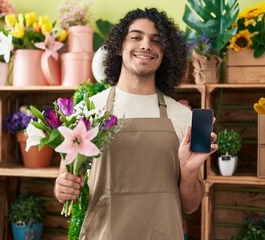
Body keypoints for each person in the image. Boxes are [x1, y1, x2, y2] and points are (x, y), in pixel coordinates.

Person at [54, 7, 218, 239]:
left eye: (156, 40)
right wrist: (62, 187)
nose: (145, 45)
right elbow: (65, 182)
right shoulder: (88, 110)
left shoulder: (183, 117)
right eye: (136, 37)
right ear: (120, 46)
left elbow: (190, 206)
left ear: (165, 53)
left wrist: (189, 172)